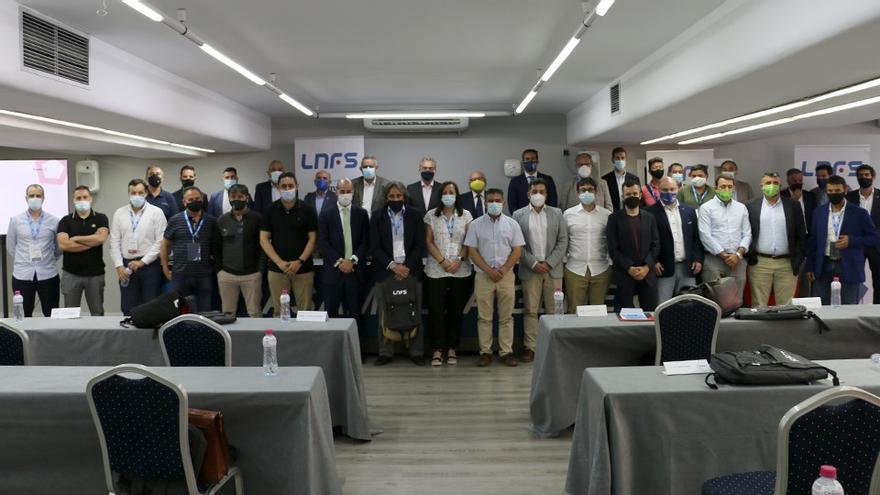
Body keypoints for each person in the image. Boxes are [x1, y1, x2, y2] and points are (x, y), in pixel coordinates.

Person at [464, 188, 524, 367]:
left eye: (497, 200)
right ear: (486, 203)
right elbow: (472, 251)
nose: (494, 204)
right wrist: (488, 270)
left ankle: (506, 352)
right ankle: (485, 352)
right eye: (490, 201)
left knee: (506, 317)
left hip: (506, 276)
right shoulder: (475, 224)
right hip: (483, 276)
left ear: (503, 202)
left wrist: (504, 269)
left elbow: (517, 250)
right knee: (484, 317)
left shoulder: (512, 224)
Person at [370, 182, 426, 366]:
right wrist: (394, 266)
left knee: (414, 311)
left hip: (411, 271)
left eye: (398, 196)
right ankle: (385, 352)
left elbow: (420, 245)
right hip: (386, 272)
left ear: (404, 197)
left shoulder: (415, 215)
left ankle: (416, 351)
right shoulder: (377, 217)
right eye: (392, 197)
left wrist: (406, 267)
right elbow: (374, 247)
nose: (395, 199)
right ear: (386, 198)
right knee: (385, 314)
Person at [513, 178, 567, 363]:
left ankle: (554, 347)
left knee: (554, 311)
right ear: (528, 194)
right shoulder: (518, 215)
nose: (538, 194)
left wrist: (549, 263)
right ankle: (531, 348)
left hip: (553, 270)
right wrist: (534, 263)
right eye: (534, 191)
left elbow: (563, 241)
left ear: (547, 194)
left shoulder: (557, 213)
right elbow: (517, 244)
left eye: (541, 191)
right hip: (530, 270)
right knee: (531, 311)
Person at [806, 175, 880, 305]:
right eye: (830, 191)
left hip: (849, 264)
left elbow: (874, 237)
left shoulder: (859, 213)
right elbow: (813, 241)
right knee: (821, 306)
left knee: (849, 305)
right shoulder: (819, 212)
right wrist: (810, 266)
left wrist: (851, 240)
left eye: (837, 191)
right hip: (823, 264)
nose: (834, 194)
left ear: (845, 190)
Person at [424, 181, 473, 366]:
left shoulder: (466, 215)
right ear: (440, 195)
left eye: (451, 192)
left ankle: (452, 348)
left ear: (457, 194)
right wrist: (443, 261)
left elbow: (469, 242)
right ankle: (437, 349)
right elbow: (429, 242)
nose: (448, 195)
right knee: (436, 311)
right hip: (436, 271)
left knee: (455, 312)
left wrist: (458, 260)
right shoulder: (431, 215)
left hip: (460, 270)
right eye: (445, 192)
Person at [318, 178, 370, 350]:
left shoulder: (361, 214)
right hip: (333, 273)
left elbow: (365, 241)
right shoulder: (326, 214)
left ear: (353, 192)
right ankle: (331, 351)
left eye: (348, 191)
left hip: (355, 272)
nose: (345, 194)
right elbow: (323, 242)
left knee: (356, 314)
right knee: (331, 315)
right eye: (342, 191)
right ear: (336, 192)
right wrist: (340, 262)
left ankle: (358, 351)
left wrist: (353, 260)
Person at [259, 172, 318, 315]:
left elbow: (313, 239)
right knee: (280, 313)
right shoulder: (269, 210)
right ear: (278, 188)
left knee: (305, 312)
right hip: (277, 269)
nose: (287, 189)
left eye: (290, 186)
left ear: (297, 186)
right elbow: (264, 239)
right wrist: (279, 262)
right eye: (283, 186)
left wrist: (299, 261)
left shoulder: (308, 209)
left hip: (303, 269)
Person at [745, 172, 806, 307]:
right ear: (761, 186)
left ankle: (785, 329)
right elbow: (745, 233)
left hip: (786, 263)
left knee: (786, 306)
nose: (771, 186)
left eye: (775, 183)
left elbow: (801, 235)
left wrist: (798, 258)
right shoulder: (751, 206)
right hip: (760, 263)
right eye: (768, 183)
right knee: (758, 305)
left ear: (780, 186)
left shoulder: (793, 205)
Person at [109, 179, 167, 315]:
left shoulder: (156, 212)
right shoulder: (119, 213)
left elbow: (161, 242)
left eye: (140, 192)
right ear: (128, 194)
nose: (137, 196)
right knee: (128, 307)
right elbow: (114, 241)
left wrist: (142, 262)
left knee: (150, 307)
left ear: (146, 193)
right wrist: (119, 266)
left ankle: (149, 336)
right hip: (126, 267)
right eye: (133, 193)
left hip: (149, 266)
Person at [6, 184, 60, 317]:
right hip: (22, 274)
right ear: (26, 198)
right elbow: (11, 246)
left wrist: (49, 259)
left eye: (38, 195)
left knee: (51, 313)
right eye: (31, 196)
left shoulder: (54, 220)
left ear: (43, 198)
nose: (35, 198)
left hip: (48, 273)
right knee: (22, 315)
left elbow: (58, 247)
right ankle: (22, 339)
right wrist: (23, 260)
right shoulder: (15, 220)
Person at [606, 179, 660, 312]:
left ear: (640, 195)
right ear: (623, 196)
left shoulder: (650, 217)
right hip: (625, 274)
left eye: (635, 193)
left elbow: (656, 244)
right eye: (628, 194)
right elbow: (613, 248)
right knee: (625, 316)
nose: (632, 197)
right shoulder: (614, 219)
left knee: (651, 314)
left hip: (647, 274)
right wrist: (629, 267)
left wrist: (647, 267)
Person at [646, 177, 703, 302]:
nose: (669, 192)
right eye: (665, 190)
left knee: (689, 305)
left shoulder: (689, 211)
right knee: (662, 305)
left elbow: (695, 238)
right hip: (663, 268)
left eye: (672, 189)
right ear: (658, 191)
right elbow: (647, 242)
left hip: (687, 267)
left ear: (678, 189)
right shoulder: (649, 213)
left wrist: (698, 259)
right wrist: (653, 261)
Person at [161, 186, 216, 312]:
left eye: (197, 198)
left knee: (205, 312)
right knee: (182, 312)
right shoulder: (175, 220)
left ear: (202, 199)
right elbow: (164, 245)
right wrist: (165, 268)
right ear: (184, 202)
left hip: (204, 275)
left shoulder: (212, 221)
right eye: (190, 199)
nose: (194, 201)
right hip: (181, 275)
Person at [210, 184, 262, 317]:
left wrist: (260, 271)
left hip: (252, 275)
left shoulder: (257, 219)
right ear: (229, 198)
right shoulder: (221, 220)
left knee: (254, 313)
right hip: (227, 275)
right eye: (233, 196)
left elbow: (263, 246)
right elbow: (215, 248)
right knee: (227, 314)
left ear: (247, 198)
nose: (236, 199)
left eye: (240, 196)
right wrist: (219, 271)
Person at [56, 186, 109, 315]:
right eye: (78, 198)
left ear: (90, 198)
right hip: (71, 274)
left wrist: (76, 238)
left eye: (85, 197)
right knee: (70, 314)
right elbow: (63, 244)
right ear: (74, 200)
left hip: (95, 275)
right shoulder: (65, 220)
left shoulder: (101, 218)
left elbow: (101, 238)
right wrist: (92, 242)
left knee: (97, 313)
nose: (82, 200)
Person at [563, 177, 612, 310]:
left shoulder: (606, 215)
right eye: (583, 190)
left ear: (596, 192)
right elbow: (563, 240)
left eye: (590, 190)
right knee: (574, 310)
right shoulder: (568, 214)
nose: (587, 193)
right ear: (577, 193)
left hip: (601, 269)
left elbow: (611, 241)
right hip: (575, 269)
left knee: (598, 312)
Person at [698, 174, 751, 295]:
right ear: (716, 188)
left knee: (737, 299)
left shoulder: (741, 208)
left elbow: (747, 234)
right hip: (714, 260)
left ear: (734, 188)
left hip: (738, 260)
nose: (727, 190)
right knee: (715, 298)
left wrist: (737, 255)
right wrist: (724, 255)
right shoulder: (706, 208)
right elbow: (705, 235)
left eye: (729, 186)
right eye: (723, 186)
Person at [847, 164, 880, 303]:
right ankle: (852, 310)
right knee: (852, 280)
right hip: (856, 243)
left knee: (878, 280)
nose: (863, 178)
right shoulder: (849, 197)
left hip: (876, 244)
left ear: (873, 176)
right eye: (860, 176)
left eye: (866, 175)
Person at [781, 167, 815, 235]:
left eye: (800, 180)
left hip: (808, 234)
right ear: (788, 181)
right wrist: (792, 201)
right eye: (794, 181)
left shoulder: (810, 195)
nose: (798, 183)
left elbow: (814, 216)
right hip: (790, 235)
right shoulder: (781, 195)